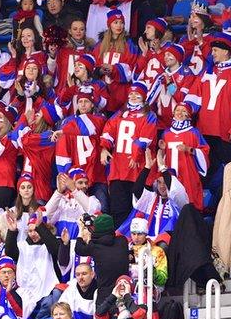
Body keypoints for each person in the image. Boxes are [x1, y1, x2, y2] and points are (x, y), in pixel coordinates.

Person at [184, 29, 231, 181]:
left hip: (224, 130)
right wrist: (185, 110)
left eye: (215, 50)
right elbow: (194, 95)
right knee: (205, 168)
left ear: (225, 51)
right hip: (204, 129)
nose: (212, 53)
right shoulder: (207, 72)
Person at [99, 82, 157, 228]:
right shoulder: (119, 114)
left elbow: (147, 138)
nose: (133, 97)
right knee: (118, 210)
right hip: (119, 169)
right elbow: (108, 131)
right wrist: (104, 148)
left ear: (143, 97)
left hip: (138, 169)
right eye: (131, 94)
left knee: (138, 210)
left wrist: (136, 154)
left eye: (137, 94)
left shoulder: (149, 116)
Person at [160, 102, 210, 211]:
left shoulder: (194, 132)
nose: (180, 113)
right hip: (171, 175)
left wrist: (189, 149)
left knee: (190, 203)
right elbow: (162, 157)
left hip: (188, 174)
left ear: (188, 115)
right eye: (178, 110)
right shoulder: (166, 133)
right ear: (173, 113)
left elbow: (205, 151)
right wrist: (162, 149)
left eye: (184, 111)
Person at [91, 8, 139, 112]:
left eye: (121, 23)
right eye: (115, 22)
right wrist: (100, 71)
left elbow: (132, 68)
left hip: (121, 93)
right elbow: (93, 65)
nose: (119, 26)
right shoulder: (99, 46)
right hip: (103, 92)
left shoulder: (129, 46)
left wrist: (114, 69)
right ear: (109, 25)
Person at [75, 214, 129, 305]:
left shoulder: (94, 246)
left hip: (105, 296)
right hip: (124, 292)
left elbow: (79, 249)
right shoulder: (123, 241)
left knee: (101, 317)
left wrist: (81, 229)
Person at [44, 169, 101, 238]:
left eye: (86, 183)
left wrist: (74, 189)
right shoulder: (61, 200)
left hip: (80, 244)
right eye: (80, 183)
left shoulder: (91, 200)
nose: (84, 186)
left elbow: (93, 210)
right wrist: (59, 192)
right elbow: (46, 216)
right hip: (61, 245)